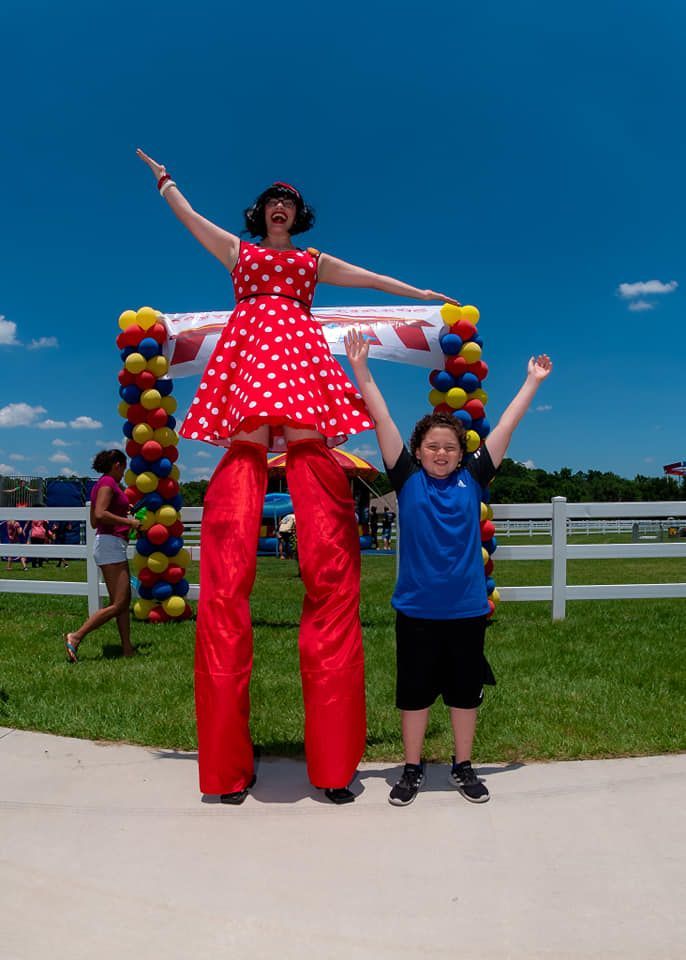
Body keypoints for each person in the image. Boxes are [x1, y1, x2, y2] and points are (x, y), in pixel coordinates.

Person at [136, 148, 459, 805]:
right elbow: (191, 219)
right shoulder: (239, 253)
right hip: (253, 363)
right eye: (271, 201)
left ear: (298, 216)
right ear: (260, 214)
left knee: (327, 552)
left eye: (290, 202)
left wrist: (420, 294)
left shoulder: (311, 265)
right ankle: (226, 770)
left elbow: (367, 278)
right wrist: (167, 182)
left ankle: (334, 767)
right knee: (232, 547)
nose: (280, 207)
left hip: (301, 365)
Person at [345, 328, 552, 806]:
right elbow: (382, 418)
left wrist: (532, 382)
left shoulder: (474, 479)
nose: (441, 453)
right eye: (433, 447)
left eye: (450, 448)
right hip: (415, 611)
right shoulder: (407, 479)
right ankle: (412, 768)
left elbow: (505, 427)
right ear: (417, 452)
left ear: (463, 454)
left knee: (464, 696)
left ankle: (463, 766)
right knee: (414, 697)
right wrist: (362, 370)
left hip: (465, 612)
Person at [63, 450, 141, 662]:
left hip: (108, 544)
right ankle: (76, 636)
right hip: (111, 545)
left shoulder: (101, 484)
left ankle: (127, 649)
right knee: (119, 603)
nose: (124, 472)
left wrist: (123, 509)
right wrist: (129, 522)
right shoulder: (109, 482)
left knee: (121, 602)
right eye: (123, 467)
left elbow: (95, 521)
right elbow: (99, 515)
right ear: (117, 464)